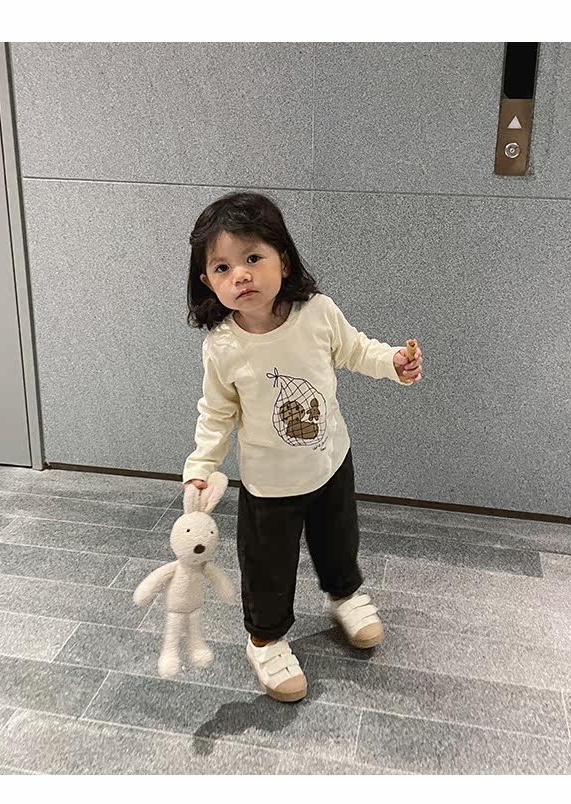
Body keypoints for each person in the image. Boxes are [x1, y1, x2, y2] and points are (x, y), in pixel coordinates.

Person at [182, 191, 423, 703]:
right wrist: (201, 465)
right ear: (207, 281)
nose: (240, 275)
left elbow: (355, 349)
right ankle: (265, 640)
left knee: (340, 541)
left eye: (253, 258)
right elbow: (217, 413)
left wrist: (393, 363)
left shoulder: (317, 313)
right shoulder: (222, 346)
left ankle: (344, 594)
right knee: (268, 566)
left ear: (284, 260)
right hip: (269, 486)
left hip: (331, 463)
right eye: (223, 267)